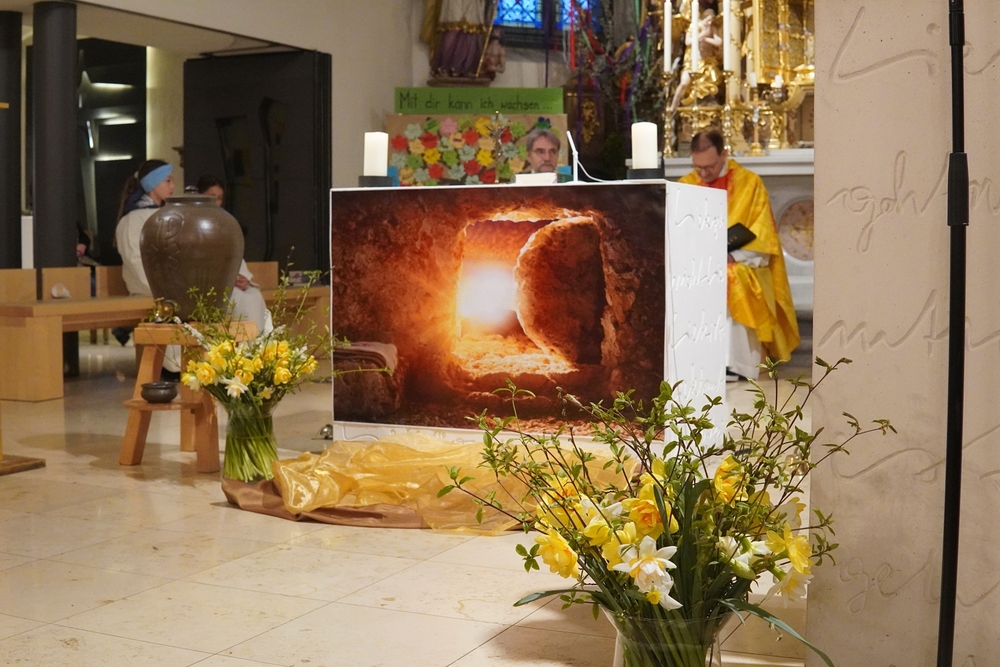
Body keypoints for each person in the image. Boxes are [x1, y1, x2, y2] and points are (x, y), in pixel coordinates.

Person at [679, 130, 799, 380]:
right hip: (697, 262)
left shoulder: (749, 183)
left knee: (731, 276)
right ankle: (697, 360)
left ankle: (736, 363)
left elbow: (763, 234)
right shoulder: (685, 185)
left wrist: (736, 256)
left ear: (724, 154)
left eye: (709, 167)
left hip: (742, 260)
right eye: (698, 167)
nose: (703, 174)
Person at [194, 175, 272, 337]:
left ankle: (256, 346)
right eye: (212, 197)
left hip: (229, 283)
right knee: (237, 298)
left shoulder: (225, 225)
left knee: (253, 296)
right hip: (206, 286)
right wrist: (224, 280)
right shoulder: (192, 224)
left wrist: (243, 279)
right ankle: (235, 345)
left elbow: (235, 257)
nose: (216, 203)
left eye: (219, 198)